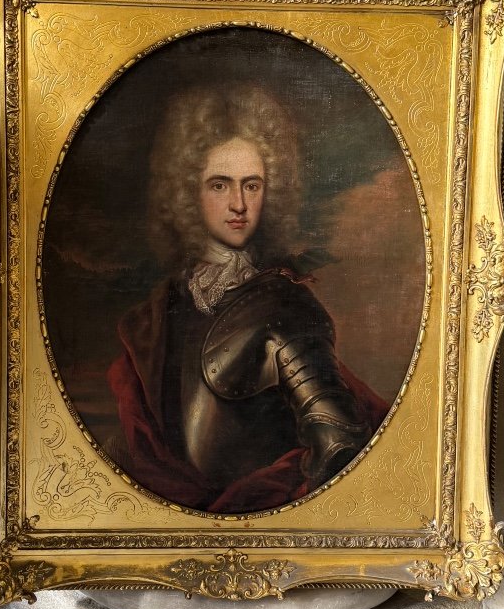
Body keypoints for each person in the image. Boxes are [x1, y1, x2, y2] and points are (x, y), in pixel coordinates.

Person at [107, 84, 388, 513]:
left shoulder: (284, 307)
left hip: (260, 516)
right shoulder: (161, 310)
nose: (239, 204)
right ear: (187, 191)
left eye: (252, 186)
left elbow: (337, 444)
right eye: (220, 185)